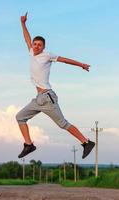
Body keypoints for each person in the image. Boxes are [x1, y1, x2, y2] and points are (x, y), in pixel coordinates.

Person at [16, 13, 95, 159]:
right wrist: (23, 23)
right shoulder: (31, 52)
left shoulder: (47, 55)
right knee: (20, 117)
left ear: (44, 47)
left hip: (47, 98)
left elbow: (64, 60)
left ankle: (86, 142)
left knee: (63, 124)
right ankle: (28, 145)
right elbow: (26, 37)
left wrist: (81, 65)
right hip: (38, 99)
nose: (36, 46)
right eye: (35, 44)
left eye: (40, 45)